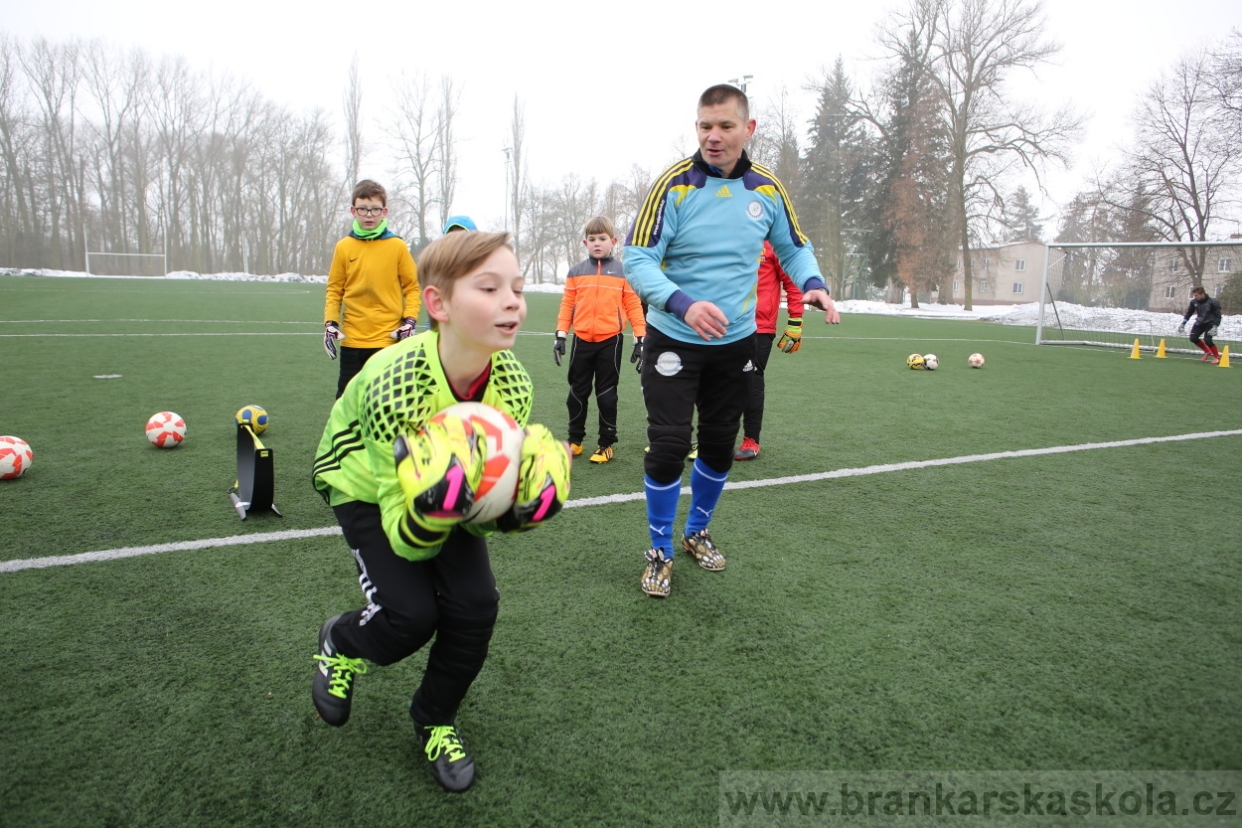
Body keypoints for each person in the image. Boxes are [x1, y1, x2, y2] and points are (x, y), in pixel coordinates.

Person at [310, 231, 571, 792]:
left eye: (519, 289)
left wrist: (514, 509)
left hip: (438, 488)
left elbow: (477, 506)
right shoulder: (393, 383)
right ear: (439, 304)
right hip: (361, 483)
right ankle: (342, 643)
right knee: (410, 615)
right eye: (490, 287)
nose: (513, 302)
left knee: (475, 607)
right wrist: (439, 507)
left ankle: (434, 716)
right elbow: (404, 525)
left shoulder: (512, 384)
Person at [623, 84, 840, 598]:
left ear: (749, 129)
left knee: (719, 445)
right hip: (674, 338)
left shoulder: (766, 189)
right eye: (704, 126)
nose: (713, 136)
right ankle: (660, 548)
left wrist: (813, 286)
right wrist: (682, 304)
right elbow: (637, 259)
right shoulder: (674, 186)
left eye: (724, 126)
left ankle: (697, 531)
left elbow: (795, 247)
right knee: (671, 445)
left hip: (737, 343)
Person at [554, 216, 647, 463]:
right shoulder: (575, 272)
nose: (597, 243)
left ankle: (606, 444)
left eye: (602, 239)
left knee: (606, 395)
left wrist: (640, 339)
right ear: (585, 242)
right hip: (582, 341)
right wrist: (561, 335)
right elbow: (567, 305)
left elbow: (634, 305)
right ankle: (575, 441)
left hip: (610, 341)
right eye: (592, 239)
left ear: (613, 241)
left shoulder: (623, 271)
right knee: (576, 393)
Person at [324, 180, 421, 399]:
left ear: (384, 212)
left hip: (388, 340)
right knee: (347, 402)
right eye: (363, 209)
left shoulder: (396, 246)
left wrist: (409, 321)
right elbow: (334, 289)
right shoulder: (344, 247)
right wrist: (330, 323)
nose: (369, 215)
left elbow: (413, 287)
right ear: (353, 210)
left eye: (375, 209)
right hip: (352, 339)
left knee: (388, 402)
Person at [734, 240, 806, 461]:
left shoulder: (774, 243)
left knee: (752, 378)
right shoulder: (730, 236)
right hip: (725, 323)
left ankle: (751, 440)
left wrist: (795, 322)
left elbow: (792, 283)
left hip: (759, 327)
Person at [1179, 286, 1223, 363]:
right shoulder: (1193, 302)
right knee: (1193, 338)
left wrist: (1215, 326)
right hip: (1199, 322)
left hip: (1210, 323)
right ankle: (1207, 351)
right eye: (1194, 295)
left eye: (1196, 295)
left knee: (1208, 340)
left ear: (1202, 294)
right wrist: (1183, 323)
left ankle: (1217, 357)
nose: (1195, 297)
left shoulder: (1213, 302)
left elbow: (1218, 316)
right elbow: (1189, 312)